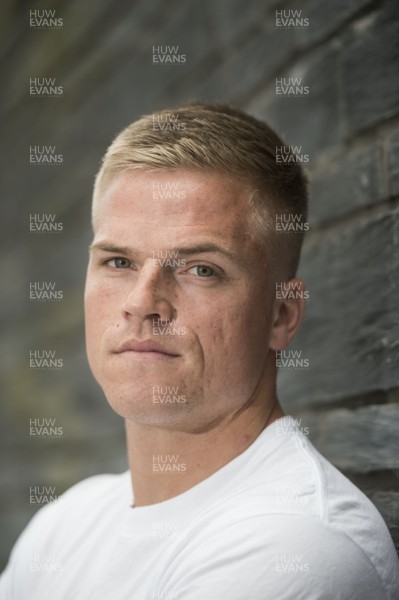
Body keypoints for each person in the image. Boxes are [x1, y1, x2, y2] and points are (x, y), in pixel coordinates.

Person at [1, 103, 398, 600]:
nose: (142, 303)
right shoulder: (65, 524)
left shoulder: (293, 542)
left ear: (281, 315)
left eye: (200, 269)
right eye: (119, 261)